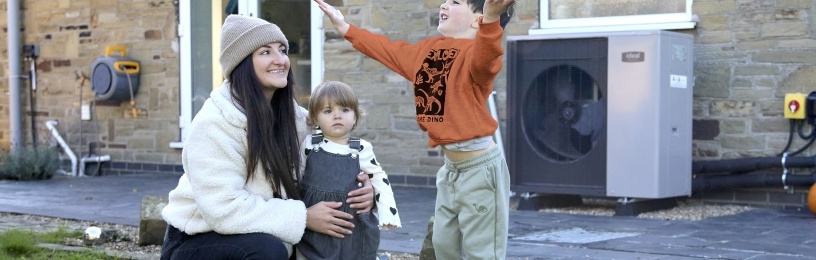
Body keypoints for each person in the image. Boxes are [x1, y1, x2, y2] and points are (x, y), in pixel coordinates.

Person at [160, 15, 374, 260]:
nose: (280, 59)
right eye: (265, 52)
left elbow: (332, 151)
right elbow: (223, 209)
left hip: (264, 234)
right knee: (267, 250)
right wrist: (304, 217)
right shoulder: (214, 123)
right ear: (241, 63)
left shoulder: (293, 117)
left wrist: (363, 188)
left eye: (282, 50)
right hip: (197, 240)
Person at [314, 0, 516, 258]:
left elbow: (487, 57)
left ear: (477, 19)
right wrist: (345, 27)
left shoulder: (476, 55)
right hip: (451, 170)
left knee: (481, 251)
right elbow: (387, 50)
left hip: (480, 171)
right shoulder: (427, 52)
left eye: (454, 2)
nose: (443, 4)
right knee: (444, 247)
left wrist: (491, 19)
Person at [296, 81, 402, 259]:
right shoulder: (309, 145)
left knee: (354, 253)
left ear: (355, 116)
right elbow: (296, 175)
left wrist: (388, 212)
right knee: (308, 253)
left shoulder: (361, 148)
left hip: (351, 223)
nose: (337, 116)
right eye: (328, 111)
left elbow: (378, 178)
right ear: (314, 118)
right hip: (316, 218)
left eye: (344, 110)